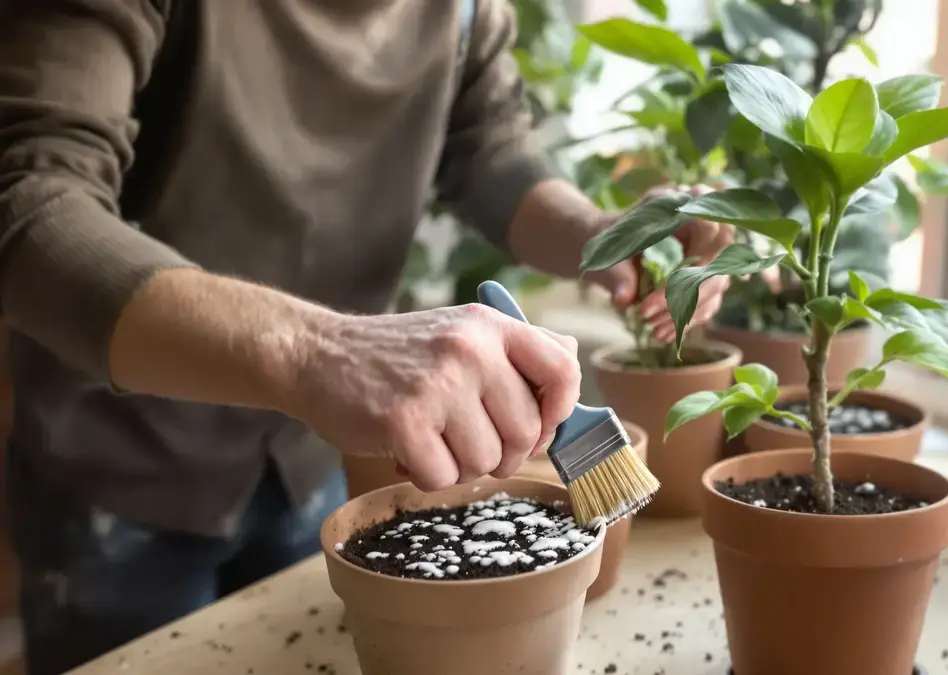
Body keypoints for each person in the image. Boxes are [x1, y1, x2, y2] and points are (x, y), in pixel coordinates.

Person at [0, 1, 733, 672]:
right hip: (121, 469)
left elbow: (487, 146)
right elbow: (29, 206)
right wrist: (319, 353)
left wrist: (603, 235)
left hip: (308, 461)